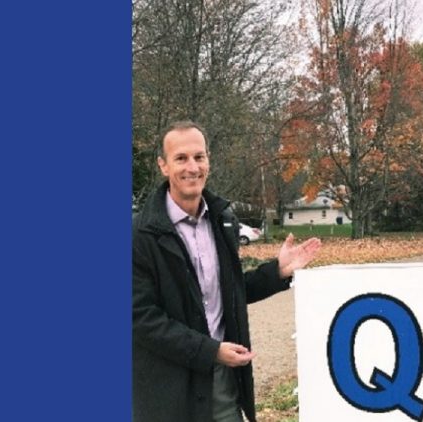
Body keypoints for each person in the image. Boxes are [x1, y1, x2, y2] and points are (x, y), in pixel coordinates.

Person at [132, 121, 321, 422]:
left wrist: (278, 272)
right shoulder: (140, 235)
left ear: (208, 160)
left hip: (222, 382)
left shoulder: (223, 221)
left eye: (199, 157)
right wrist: (210, 351)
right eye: (181, 158)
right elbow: (141, 318)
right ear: (163, 166)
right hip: (166, 390)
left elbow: (226, 291)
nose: (192, 167)